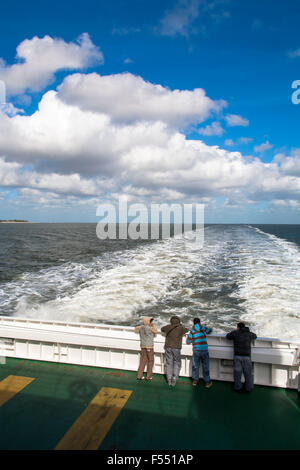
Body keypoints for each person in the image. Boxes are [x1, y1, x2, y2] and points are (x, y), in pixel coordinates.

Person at [226, 322, 257, 393]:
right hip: (247, 356)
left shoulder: (235, 333)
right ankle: (248, 388)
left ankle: (238, 387)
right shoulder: (249, 334)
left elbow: (228, 336)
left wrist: (234, 332)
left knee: (237, 373)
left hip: (237, 355)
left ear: (238, 327)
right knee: (248, 373)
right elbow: (255, 336)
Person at [161, 316, 189, 387]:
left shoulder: (168, 327)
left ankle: (169, 379)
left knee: (169, 363)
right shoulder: (181, 328)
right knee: (177, 362)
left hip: (168, 347)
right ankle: (174, 377)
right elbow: (187, 330)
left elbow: (162, 329)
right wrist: (181, 325)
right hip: (176, 347)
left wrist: (170, 325)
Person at [187, 318, 213, 388]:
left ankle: (195, 381)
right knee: (206, 366)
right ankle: (207, 382)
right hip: (204, 349)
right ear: (199, 322)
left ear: (193, 323)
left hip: (197, 350)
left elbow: (188, 341)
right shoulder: (203, 327)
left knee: (195, 366)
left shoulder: (192, 330)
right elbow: (210, 331)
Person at [135, 316, 158, 381]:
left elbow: (136, 329)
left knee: (142, 361)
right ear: (148, 322)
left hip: (143, 346)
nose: (151, 322)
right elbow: (156, 332)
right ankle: (148, 376)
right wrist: (153, 325)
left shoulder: (141, 328)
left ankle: (139, 376)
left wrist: (141, 326)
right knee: (150, 361)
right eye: (150, 321)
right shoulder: (150, 328)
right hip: (149, 347)